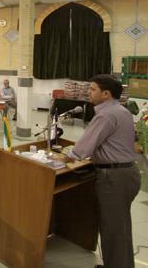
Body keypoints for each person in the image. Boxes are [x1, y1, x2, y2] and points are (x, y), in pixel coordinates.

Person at [59, 75, 140, 268]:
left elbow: (82, 149)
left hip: (114, 178)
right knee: (119, 226)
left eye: (93, 89)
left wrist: (62, 158)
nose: (89, 92)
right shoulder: (122, 111)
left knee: (114, 229)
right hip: (127, 173)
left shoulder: (105, 115)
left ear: (106, 94)